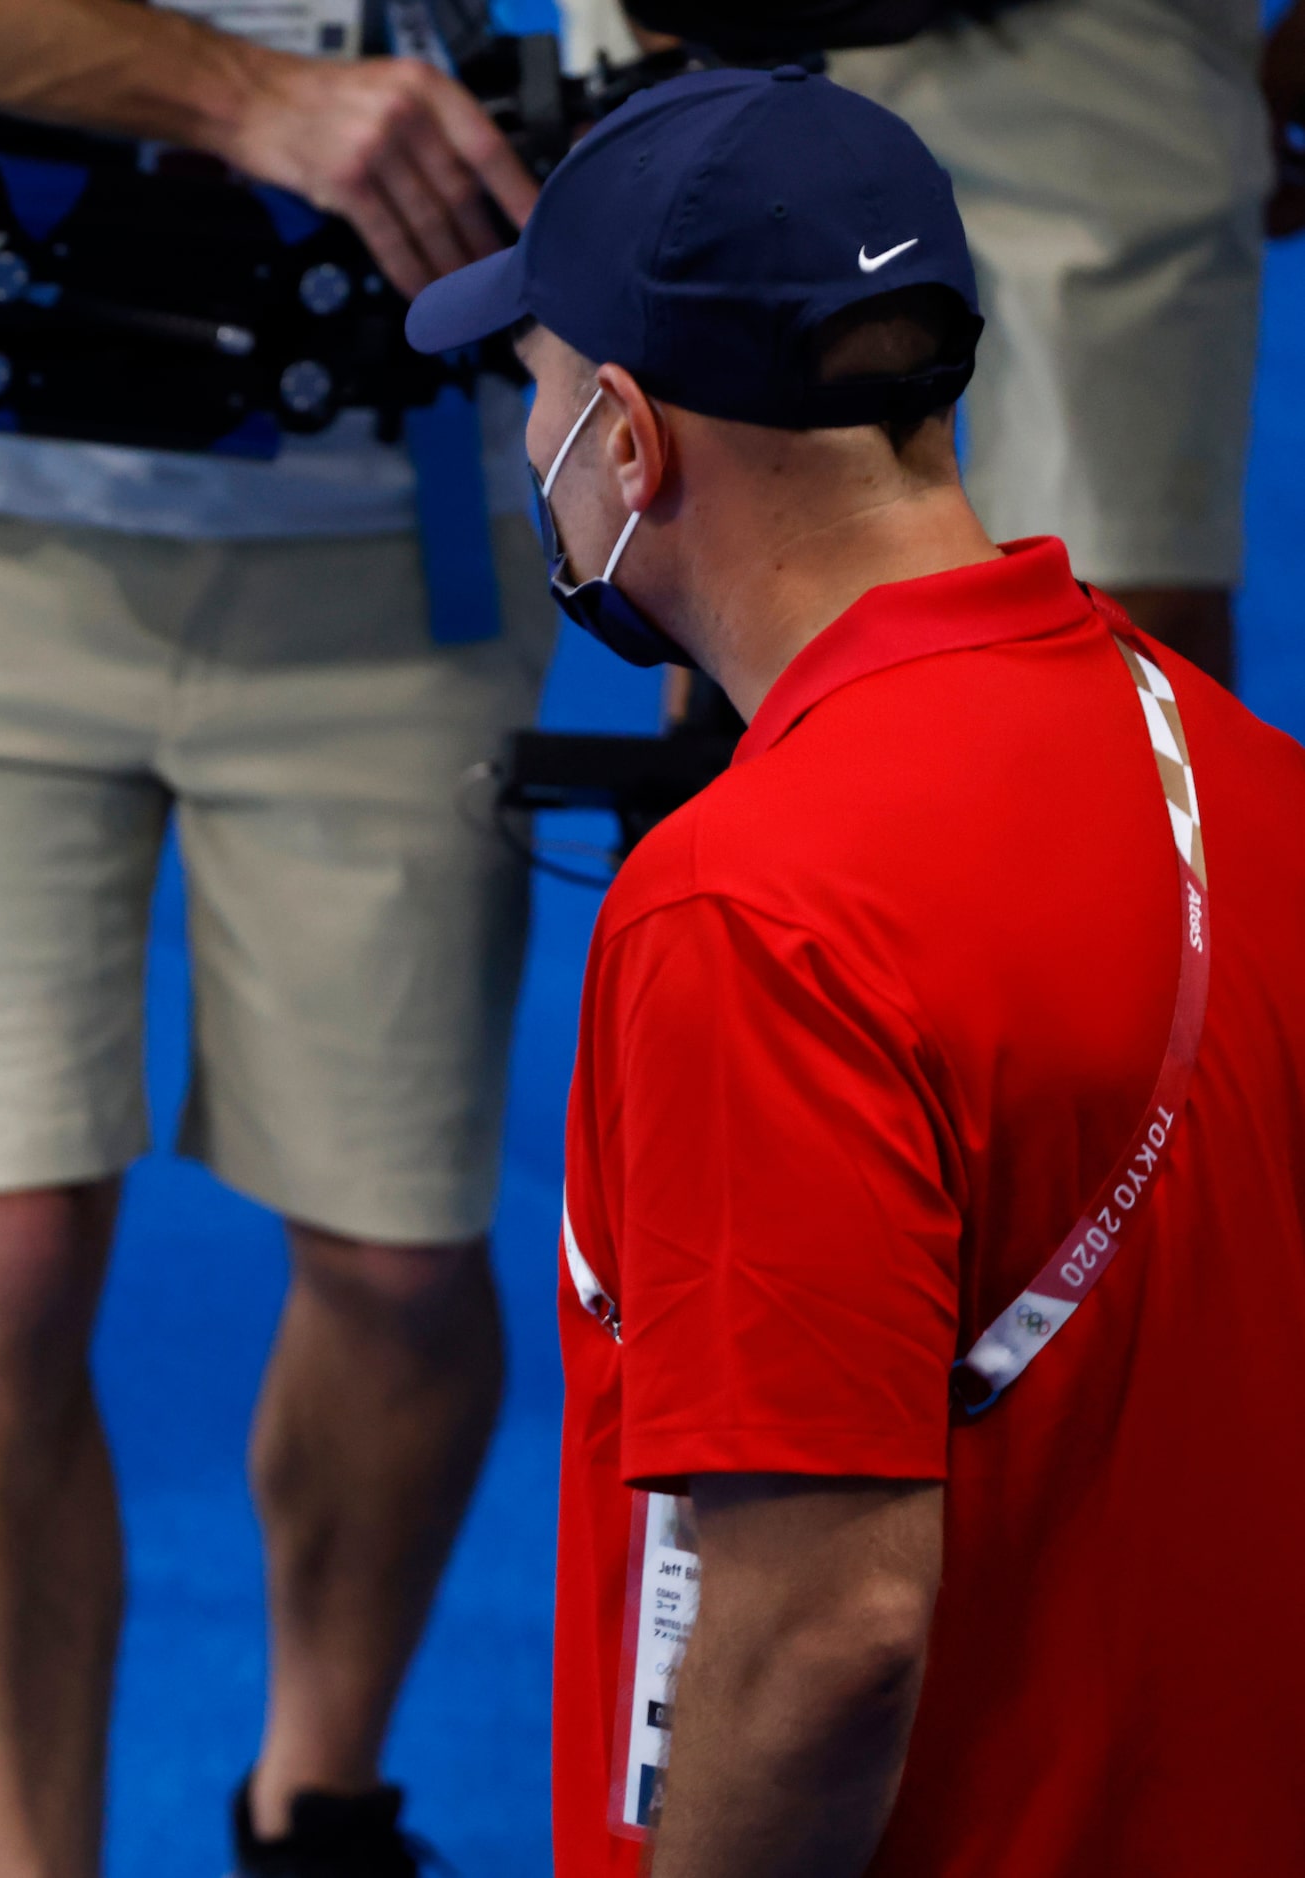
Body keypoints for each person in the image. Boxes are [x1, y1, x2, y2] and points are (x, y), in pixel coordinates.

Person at [406, 64, 1305, 1878]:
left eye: (545, 391)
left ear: (633, 446)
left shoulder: (748, 913)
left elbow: (825, 1639)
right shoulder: (1251, 773)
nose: (537, 446)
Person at [0, 3, 555, 1871]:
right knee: (0, 1243)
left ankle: (317, 1804)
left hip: (399, 512)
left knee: (403, 1253)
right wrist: (251, 97)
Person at [567, 0, 1305, 688]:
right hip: (713, 21)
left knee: (1123, 595)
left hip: (1086, 34)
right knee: (741, 566)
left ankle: (1114, 823)